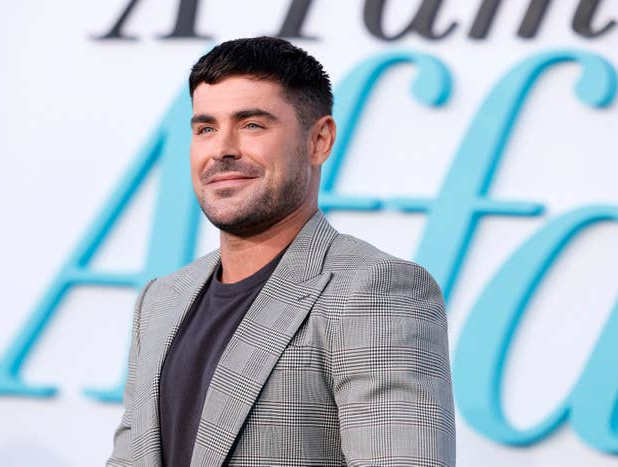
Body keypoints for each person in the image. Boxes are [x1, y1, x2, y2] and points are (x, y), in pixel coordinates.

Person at [107, 36, 455, 467]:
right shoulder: (161, 300)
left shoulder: (374, 290)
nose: (222, 149)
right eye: (206, 128)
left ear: (319, 140)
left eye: (252, 124)